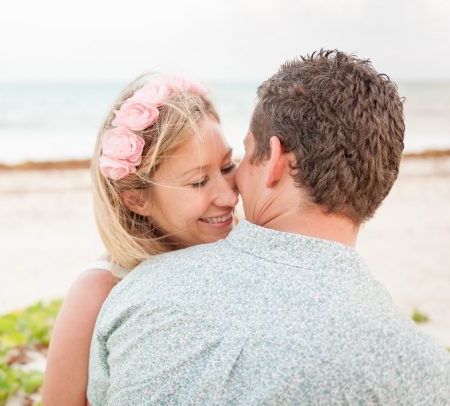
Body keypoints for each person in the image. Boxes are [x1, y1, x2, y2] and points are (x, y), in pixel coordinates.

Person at [87, 50, 450, 404]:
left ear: (275, 160)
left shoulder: (138, 293)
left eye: (241, 157)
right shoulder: (427, 372)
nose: (232, 188)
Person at [42, 74, 239, 405]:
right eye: (199, 181)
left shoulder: (248, 253)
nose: (229, 197)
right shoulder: (99, 291)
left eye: (228, 165)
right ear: (137, 199)